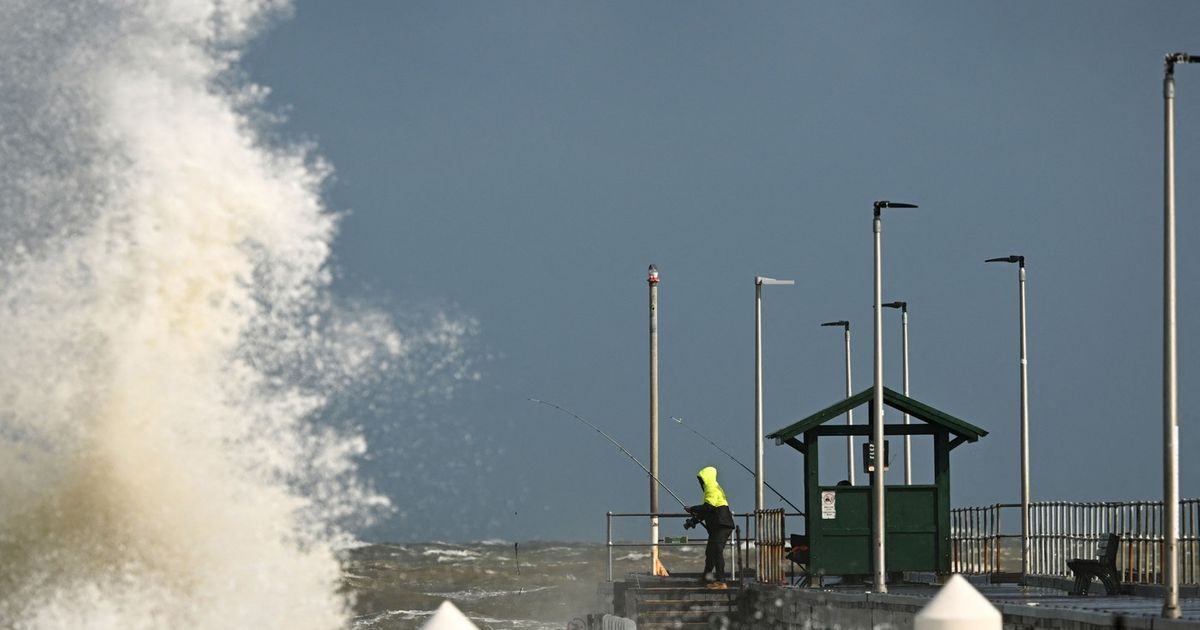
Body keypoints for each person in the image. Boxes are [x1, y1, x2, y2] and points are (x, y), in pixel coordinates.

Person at [684, 466, 735, 589]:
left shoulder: (712, 488)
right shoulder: (710, 490)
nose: (700, 483)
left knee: (716, 550)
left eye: (701, 480)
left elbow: (708, 507)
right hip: (718, 526)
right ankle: (706, 579)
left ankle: (721, 581)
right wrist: (693, 521)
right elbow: (707, 512)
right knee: (710, 553)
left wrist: (692, 509)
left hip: (722, 525)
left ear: (706, 479)